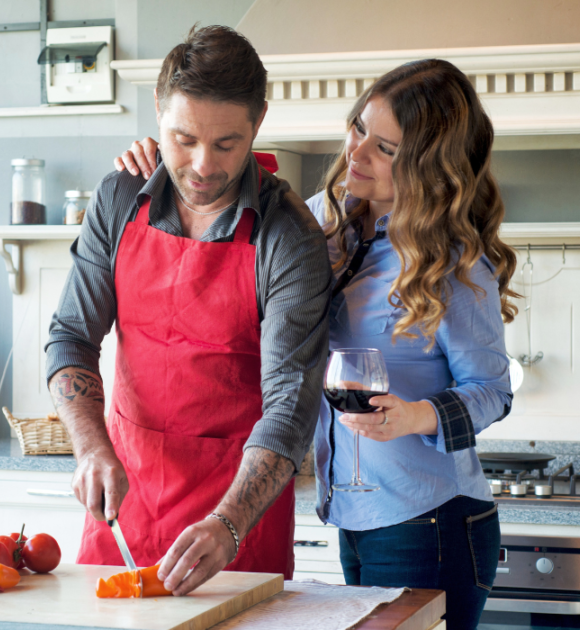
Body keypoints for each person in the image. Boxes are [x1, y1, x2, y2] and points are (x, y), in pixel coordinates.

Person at [115, 59, 517, 629]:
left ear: (429, 166)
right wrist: (162, 165)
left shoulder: (454, 265)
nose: (355, 154)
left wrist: (418, 415)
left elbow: (492, 392)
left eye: (385, 149)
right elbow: (225, 200)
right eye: (358, 128)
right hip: (350, 513)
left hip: (432, 520)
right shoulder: (322, 221)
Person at [45, 25, 331, 597]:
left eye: (226, 143)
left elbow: (289, 410)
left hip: (235, 528)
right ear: (156, 111)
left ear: (258, 122)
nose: (203, 165)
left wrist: (229, 524)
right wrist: (91, 448)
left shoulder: (288, 234)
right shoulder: (120, 198)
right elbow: (71, 336)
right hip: (123, 508)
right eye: (183, 139)